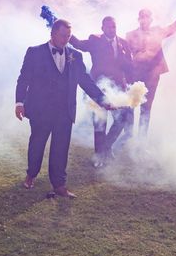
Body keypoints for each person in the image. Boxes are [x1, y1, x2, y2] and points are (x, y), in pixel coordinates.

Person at [15, 19, 107, 198]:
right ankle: (31, 175)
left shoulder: (75, 55)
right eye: (63, 35)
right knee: (37, 144)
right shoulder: (34, 52)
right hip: (40, 109)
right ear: (53, 33)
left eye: (69, 36)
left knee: (61, 148)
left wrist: (102, 99)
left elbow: (85, 81)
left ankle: (59, 184)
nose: (66, 39)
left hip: (65, 111)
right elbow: (23, 79)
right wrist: (19, 103)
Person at [125, 0, 176, 135]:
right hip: (134, 75)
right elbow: (125, 57)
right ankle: (127, 137)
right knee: (130, 106)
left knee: (146, 109)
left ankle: (141, 142)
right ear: (138, 19)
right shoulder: (130, 35)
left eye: (147, 17)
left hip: (152, 76)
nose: (144, 19)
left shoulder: (157, 31)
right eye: (142, 17)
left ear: (151, 19)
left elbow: (174, 27)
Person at [70, 16, 134, 167]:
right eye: (109, 27)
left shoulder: (123, 43)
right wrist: (67, 33)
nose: (112, 29)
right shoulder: (95, 40)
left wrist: (130, 84)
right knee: (100, 121)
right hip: (99, 87)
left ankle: (106, 147)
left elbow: (130, 66)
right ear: (102, 28)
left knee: (121, 119)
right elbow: (79, 44)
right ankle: (99, 156)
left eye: (114, 27)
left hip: (119, 88)